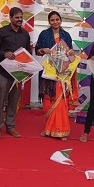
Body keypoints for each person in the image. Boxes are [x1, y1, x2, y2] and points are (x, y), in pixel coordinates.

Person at [0, 7, 32, 139]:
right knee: (0, 100)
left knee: (14, 101)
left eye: (21, 17)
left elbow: (28, 53)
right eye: (17, 17)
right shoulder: (1, 32)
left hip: (18, 74)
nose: (20, 20)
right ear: (10, 18)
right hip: (3, 71)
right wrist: (4, 53)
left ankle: (10, 126)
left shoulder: (25, 34)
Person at [35, 11, 77, 141]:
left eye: (57, 19)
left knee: (60, 101)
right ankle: (49, 128)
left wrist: (70, 52)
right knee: (48, 100)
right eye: (52, 20)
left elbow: (71, 55)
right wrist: (44, 50)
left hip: (62, 74)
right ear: (49, 22)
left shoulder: (66, 35)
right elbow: (37, 50)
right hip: (48, 72)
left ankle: (61, 130)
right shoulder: (44, 34)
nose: (55, 22)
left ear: (60, 20)